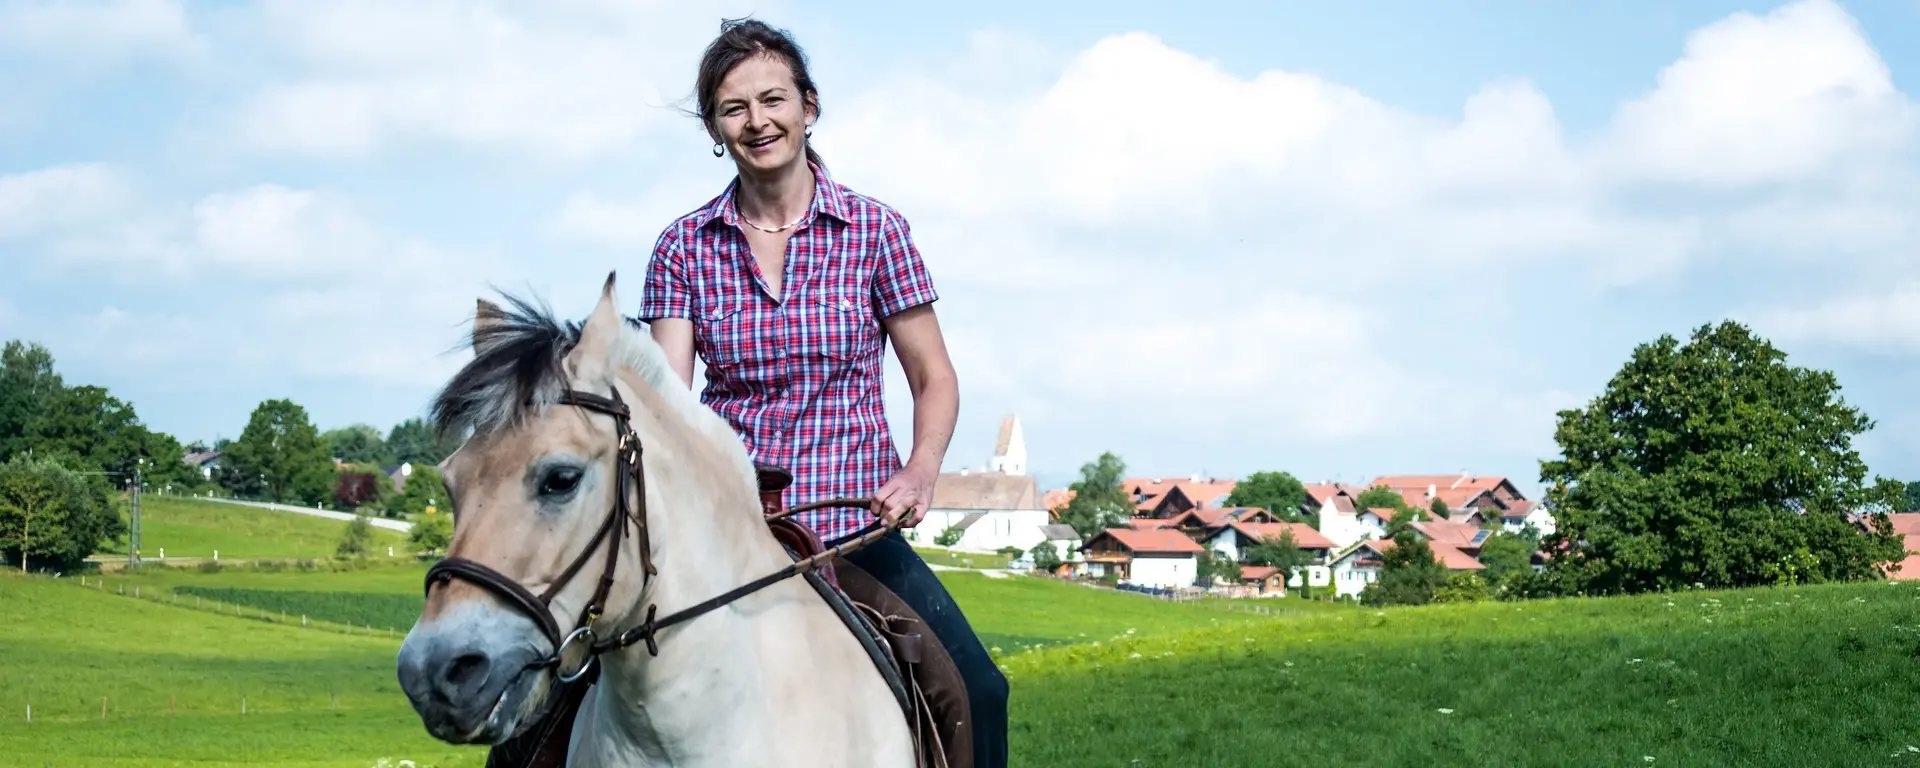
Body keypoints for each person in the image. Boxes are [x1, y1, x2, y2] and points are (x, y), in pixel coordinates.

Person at [635, 17, 1010, 768]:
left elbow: (933, 376)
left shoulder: (876, 230)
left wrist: (921, 468)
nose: (757, 121)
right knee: (564, 684)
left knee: (976, 690)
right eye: (734, 108)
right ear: (715, 128)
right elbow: (667, 405)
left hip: (852, 526)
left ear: (809, 106)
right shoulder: (683, 245)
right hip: (727, 529)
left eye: (772, 99)